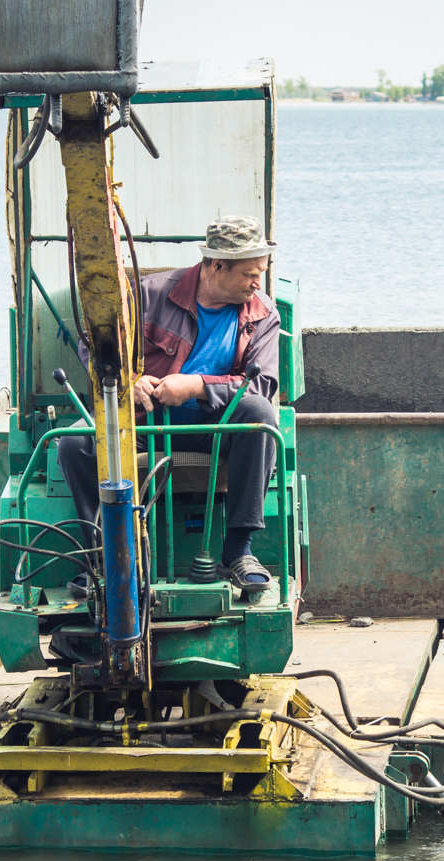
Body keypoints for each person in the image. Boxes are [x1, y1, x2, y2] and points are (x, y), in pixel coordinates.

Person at [58, 215, 281, 595]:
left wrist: (195, 386)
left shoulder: (262, 314)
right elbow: (92, 344)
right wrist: (129, 382)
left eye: (260, 272)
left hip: (213, 428)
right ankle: (101, 558)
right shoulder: (148, 295)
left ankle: (239, 552)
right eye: (249, 274)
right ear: (216, 265)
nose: (257, 282)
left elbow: (260, 386)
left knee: (260, 416)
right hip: (143, 425)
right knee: (74, 443)